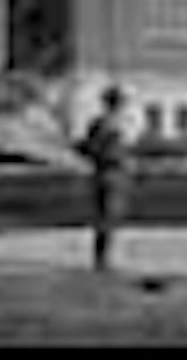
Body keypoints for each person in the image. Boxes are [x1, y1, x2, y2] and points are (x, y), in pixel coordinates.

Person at [78, 84, 132, 272]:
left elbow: (86, 148)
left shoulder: (102, 123)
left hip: (107, 172)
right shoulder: (109, 125)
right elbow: (94, 149)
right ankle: (102, 260)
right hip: (110, 173)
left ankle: (102, 258)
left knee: (107, 217)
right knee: (107, 217)